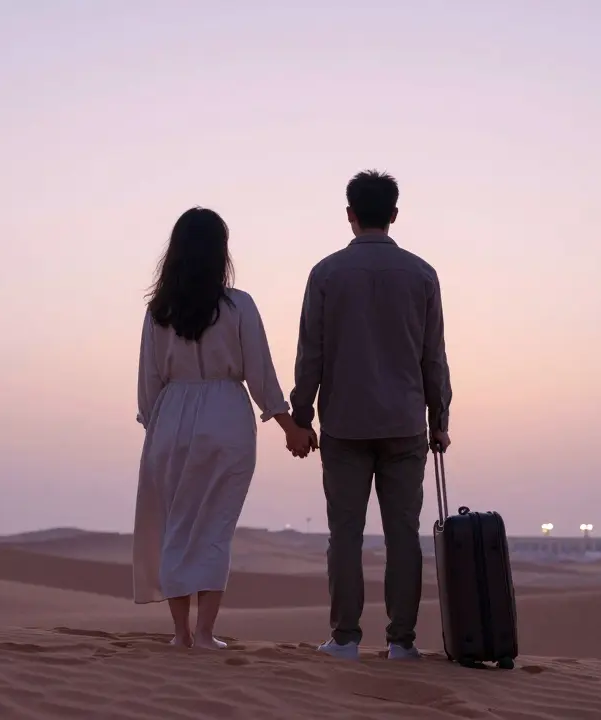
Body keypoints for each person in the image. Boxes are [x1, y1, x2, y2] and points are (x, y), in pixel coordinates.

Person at [134, 207, 316, 650]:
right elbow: (260, 374)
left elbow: (149, 382)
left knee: (177, 525)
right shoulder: (238, 306)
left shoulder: (158, 313)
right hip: (226, 418)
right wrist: (289, 426)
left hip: (171, 417)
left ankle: (180, 633)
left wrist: (158, 429)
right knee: (215, 527)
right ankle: (204, 633)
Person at [289, 170, 452, 661]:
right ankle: (402, 641)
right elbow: (434, 356)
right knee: (404, 535)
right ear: (394, 214)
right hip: (405, 424)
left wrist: (302, 414)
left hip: (345, 424)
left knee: (345, 535)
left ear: (350, 215)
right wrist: (440, 419)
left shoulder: (326, 273)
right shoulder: (422, 274)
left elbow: (311, 353)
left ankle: (345, 638)